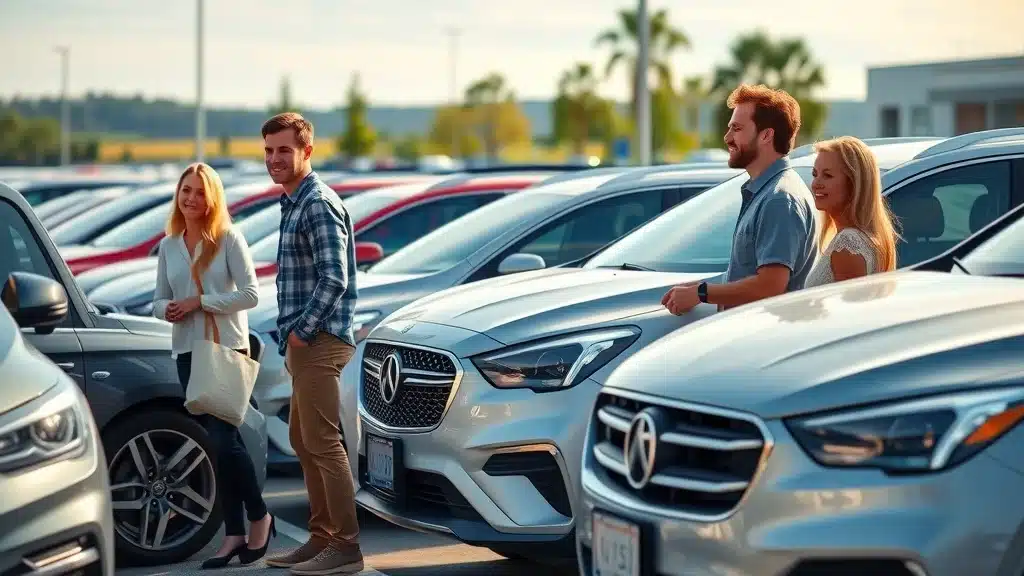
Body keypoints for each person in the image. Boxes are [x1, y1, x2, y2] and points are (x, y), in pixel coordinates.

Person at [152, 162, 275, 568]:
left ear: (213, 198)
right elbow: (158, 299)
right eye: (185, 190)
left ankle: (258, 518)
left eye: (199, 192)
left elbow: (251, 294)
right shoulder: (169, 244)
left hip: (226, 351)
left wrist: (201, 302)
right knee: (223, 446)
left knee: (223, 442)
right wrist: (166, 309)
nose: (190, 198)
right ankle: (235, 534)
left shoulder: (228, 238)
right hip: (187, 352)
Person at [260, 112, 363, 575]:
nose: (275, 159)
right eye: (268, 150)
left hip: (320, 339)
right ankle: (320, 537)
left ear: (306, 151)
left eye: (284, 149)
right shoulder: (292, 203)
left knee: (322, 443)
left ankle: (346, 548)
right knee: (303, 439)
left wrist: (301, 332)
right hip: (305, 341)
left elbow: (334, 278)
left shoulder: (317, 202)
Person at [663, 84, 818, 315]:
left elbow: (771, 285)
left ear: (766, 135)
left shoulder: (779, 198)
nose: (727, 137)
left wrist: (702, 293)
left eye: (736, 128)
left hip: (764, 340)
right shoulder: (769, 191)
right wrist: (700, 289)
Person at [803, 136, 898, 288]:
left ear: (853, 184)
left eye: (827, 175)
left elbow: (850, 310)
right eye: (815, 174)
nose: (815, 184)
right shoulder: (860, 238)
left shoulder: (847, 243)